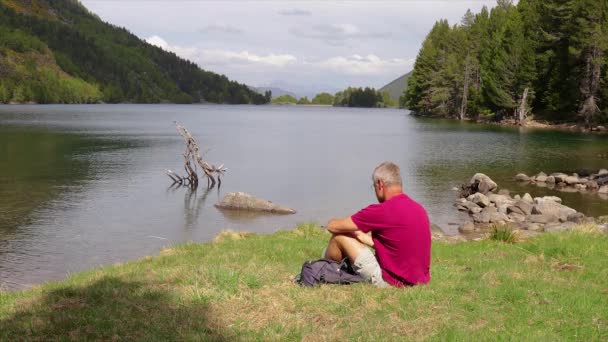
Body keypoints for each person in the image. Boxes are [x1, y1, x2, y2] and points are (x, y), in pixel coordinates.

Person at [324, 161, 431, 287]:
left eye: (373, 186)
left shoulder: (382, 210)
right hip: (418, 281)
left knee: (339, 238)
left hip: (391, 282)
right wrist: (359, 236)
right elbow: (397, 247)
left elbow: (333, 226)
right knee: (351, 235)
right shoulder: (419, 209)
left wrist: (335, 224)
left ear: (380, 184)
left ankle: (325, 272)